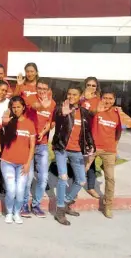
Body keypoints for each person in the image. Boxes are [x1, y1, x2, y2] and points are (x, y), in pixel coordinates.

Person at [51, 84, 95, 226]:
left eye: (74, 94)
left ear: (79, 96)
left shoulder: (84, 112)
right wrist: (63, 114)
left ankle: (66, 202)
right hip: (62, 149)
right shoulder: (60, 108)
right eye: (69, 94)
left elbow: (87, 131)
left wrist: (90, 146)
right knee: (63, 178)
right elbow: (57, 118)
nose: (71, 97)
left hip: (77, 151)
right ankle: (60, 210)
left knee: (81, 180)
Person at [21, 78, 55, 218]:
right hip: (29, 144)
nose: (41, 91)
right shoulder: (30, 98)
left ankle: (36, 205)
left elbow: (49, 122)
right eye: (39, 88)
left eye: (44, 89)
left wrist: (43, 132)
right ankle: (23, 205)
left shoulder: (52, 103)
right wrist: (42, 105)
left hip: (42, 145)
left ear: (48, 90)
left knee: (43, 177)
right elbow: (35, 106)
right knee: (28, 178)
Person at [86, 87, 122, 218]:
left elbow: (118, 132)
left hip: (109, 151)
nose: (107, 101)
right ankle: (69, 199)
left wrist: (115, 146)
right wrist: (96, 110)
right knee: (81, 171)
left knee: (110, 178)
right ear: (101, 98)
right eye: (105, 98)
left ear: (114, 100)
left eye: (110, 98)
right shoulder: (96, 108)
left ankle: (108, 206)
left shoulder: (117, 113)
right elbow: (88, 112)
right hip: (93, 148)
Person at [0, 96, 36, 224]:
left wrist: (28, 163)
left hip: (23, 164)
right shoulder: (8, 121)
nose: (16, 110)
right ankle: (9, 213)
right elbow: (3, 123)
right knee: (11, 190)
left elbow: (32, 146)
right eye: (13, 107)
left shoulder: (30, 124)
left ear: (23, 107)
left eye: (18, 107)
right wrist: (5, 121)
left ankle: (17, 212)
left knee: (20, 191)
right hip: (7, 162)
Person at [82, 77, 102, 199]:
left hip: (90, 134)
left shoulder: (98, 101)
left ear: (96, 88)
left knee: (91, 161)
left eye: (93, 85)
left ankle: (90, 187)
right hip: (77, 133)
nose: (91, 87)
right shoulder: (80, 98)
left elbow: (97, 113)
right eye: (88, 84)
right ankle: (75, 182)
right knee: (75, 159)